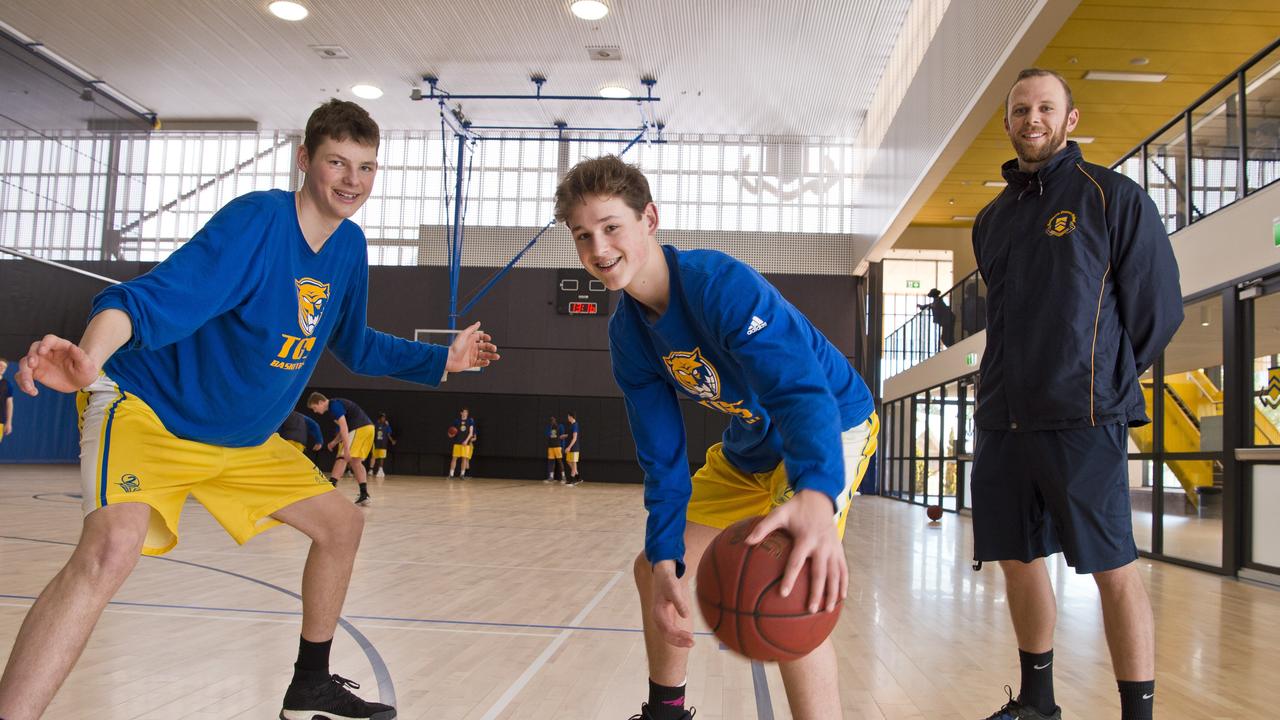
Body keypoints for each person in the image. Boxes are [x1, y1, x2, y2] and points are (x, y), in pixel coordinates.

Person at [1, 99, 499, 720]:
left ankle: (309, 687)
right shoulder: (257, 223)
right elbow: (148, 297)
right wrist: (88, 356)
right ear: (303, 161)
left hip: (240, 438)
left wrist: (442, 362)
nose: (352, 180)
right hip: (152, 411)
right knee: (111, 550)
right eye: (337, 162)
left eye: (367, 167)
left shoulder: (348, 247)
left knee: (342, 527)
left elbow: (355, 342)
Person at [555, 155, 878, 720]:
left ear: (648, 219)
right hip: (751, 444)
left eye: (611, 227)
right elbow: (661, 455)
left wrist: (816, 496)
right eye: (583, 236)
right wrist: (663, 554)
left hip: (831, 421)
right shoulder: (628, 335)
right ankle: (666, 710)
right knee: (657, 566)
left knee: (791, 584)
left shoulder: (719, 286)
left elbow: (802, 392)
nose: (598, 249)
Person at [969, 69, 1181, 720]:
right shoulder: (991, 219)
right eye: (1021, 109)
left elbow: (1158, 312)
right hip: (1004, 418)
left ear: (1071, 119)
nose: (1033, 118)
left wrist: (1101, 382)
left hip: (1083, 419)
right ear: (1008, 122)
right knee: (1016, 557)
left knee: (1112, 567)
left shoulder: (1112, 198)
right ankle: (1038, 703)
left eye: (1046, 108)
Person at [308, 393, 376, 506]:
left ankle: (330, 489)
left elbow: (344, 427)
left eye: (315, 408)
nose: (315, 411)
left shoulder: (334, 405)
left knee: (342, 458)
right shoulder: (335, 406)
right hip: (368, 429)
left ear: (320, 402)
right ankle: (364, 494)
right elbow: (344, 428)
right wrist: (334, 442)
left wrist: (347, 449)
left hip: (360, 428)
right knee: (356, 462)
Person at [446, 407, 475, 478]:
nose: (465, 413)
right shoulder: (457, 421)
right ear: (461, 413)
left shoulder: (470, 421)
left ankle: (462, 474)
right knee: (454, 458)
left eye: (466, 412)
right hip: (457, 442)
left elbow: (471, 433)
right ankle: (451, 474)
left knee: (464, 458)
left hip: (465, 443)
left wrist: (466, 441)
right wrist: (450, 434)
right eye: (464, 412)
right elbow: (452, 431)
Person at [371, 412, 395, 477]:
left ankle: (380, 470)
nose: (383, 418)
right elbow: (372, 433)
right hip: (376, 443)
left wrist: (392, 440)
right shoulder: (376, 425)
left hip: (383, 444)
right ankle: (371, 469)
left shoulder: (386, 426)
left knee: (382, 457)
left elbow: (388, 434)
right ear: (379, 418)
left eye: (384, 417)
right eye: (382, 417)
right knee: (374, 457)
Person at [545, 415, 566, 483]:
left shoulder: (560, 426)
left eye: (553, 420)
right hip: (550, 446)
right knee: (551, 461)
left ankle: (563, 477)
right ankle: (551, 477)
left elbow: (563, 437)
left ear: (555, 420)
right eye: (550, 420)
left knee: (559, 461)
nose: (552, 421)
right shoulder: (548, 427)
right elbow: (547, 435)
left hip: (558, 446)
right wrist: (550, 429)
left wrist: (563, 446)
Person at [564, 411, 581, 485]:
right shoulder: (571, 425)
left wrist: (569, 447)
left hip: (574, 447)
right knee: (568, 461)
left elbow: (574, 438)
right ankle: (578, 478)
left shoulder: (575, 425)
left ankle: (572, 480)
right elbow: (570, 435)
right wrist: (564, 436)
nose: (567, 418)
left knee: (574, 463)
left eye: (568, 416)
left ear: (571, 417)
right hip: (570, 447)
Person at [0, 358, 12, 444]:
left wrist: (8, 422)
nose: (1, 368)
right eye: (0, 365)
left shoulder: (7, 385)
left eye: (4, 367)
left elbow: (9, 403)